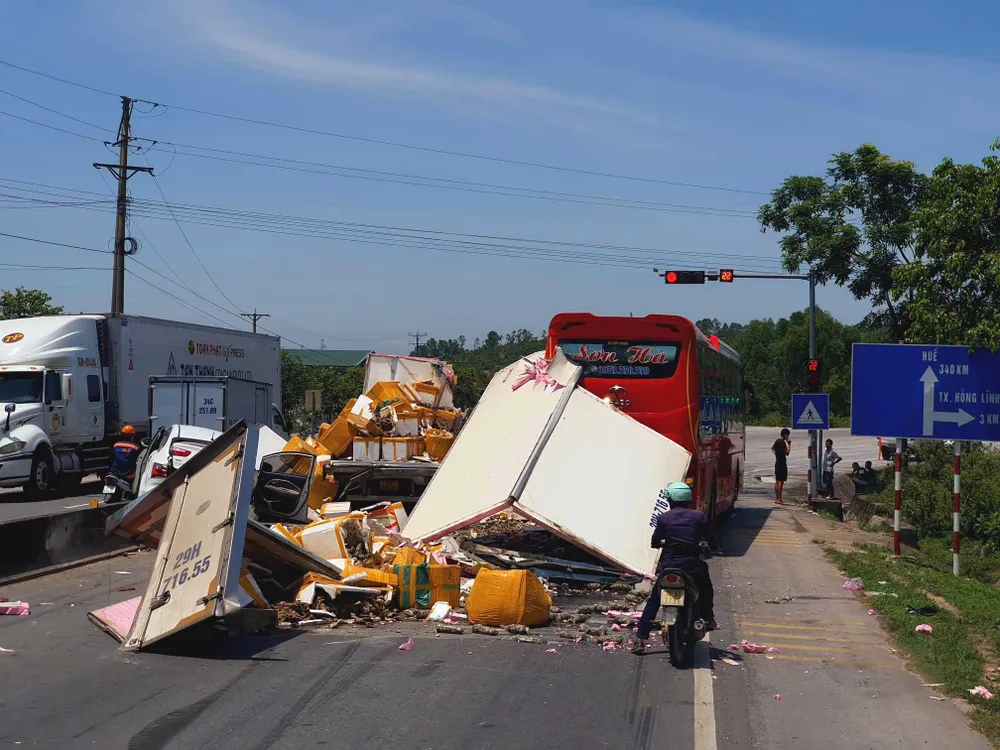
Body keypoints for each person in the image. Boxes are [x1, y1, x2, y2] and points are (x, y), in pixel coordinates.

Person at [633, 482, 718, 655]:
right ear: (688, 498)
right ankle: (708, 618)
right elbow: (710, 537)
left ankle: (641, 638)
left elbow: (655, 541)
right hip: (692, 566)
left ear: (670, 499)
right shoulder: (699, 516)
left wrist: (659, 543)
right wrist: (713, 547)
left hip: (669, 566)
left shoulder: (664, 518)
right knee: (706, 587)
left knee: (654, 601)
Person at [109, 424, 140, 490]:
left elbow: (112, 459)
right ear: (131, 436)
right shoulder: (135, 447)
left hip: (115, 472)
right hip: (129, 473)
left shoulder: (116, 445)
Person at [772, 428, 791, 504]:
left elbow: (772, 449)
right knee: (781, 481)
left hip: (777, 462)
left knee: (777, 481)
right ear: (785, 435)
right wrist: (789, 444)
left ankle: (777, 498)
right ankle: (780, 499)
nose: (788, 437)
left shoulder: (777, 441)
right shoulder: (782, 442)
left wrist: (777, 454)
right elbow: (787, 453)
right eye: (788, 435)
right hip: (782, 462)